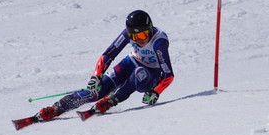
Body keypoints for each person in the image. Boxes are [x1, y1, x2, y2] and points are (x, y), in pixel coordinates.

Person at [35, 10, 174, 122]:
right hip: (131, 62)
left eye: (143, 35)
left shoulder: (159, 41)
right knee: (95, 91)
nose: (140, 40)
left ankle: (112, 99)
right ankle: (58, 107)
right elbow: (108, 54)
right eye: (135, 37)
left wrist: (155, 92)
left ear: (150, 29)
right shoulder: (127, 33)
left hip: (151, 75)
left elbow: (168, 75)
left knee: (139, 72)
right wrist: (97, 76)